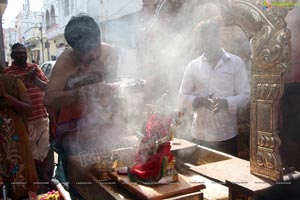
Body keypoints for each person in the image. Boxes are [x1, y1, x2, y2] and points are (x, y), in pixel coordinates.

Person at [44, 14, 120, 182]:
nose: (92, 57)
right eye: (84, 54)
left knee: (111, 179)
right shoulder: (66, 61)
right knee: (80, 184)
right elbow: (48, 101)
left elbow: (111, 87)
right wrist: (82, 92)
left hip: (103, 128)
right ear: (74, 49)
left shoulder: (111, 54)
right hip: (72, 134)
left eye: (95, 49)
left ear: (99, 38)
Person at [178, 20, 250, 156]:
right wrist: (199, 101)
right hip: (200, 135)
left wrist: (225, 103)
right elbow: (182, 96)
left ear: (218, 38)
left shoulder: (235, 63)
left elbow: (245, 95)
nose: (207, 42)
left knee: (228, 175)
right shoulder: (193, 66)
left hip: (226, 134)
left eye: (211, 37)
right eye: (204, 39)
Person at [3, 43, 54, 192]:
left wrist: (35, 80)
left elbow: (48, 87)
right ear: (12, 56)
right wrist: (24, 82)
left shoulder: (35, 68)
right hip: (25, 120)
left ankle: (42, 179)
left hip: (41, 115)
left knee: (44, 149)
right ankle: (39, 180)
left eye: (23, 52)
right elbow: (10, 98)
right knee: (31, 152)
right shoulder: (8, 73)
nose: (21, 55)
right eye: (18, 53)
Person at [0, 64, 39, 199]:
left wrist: (6, 96)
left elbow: (28, 109)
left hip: (14, 137)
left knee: (22, 184)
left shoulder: (12, 82)